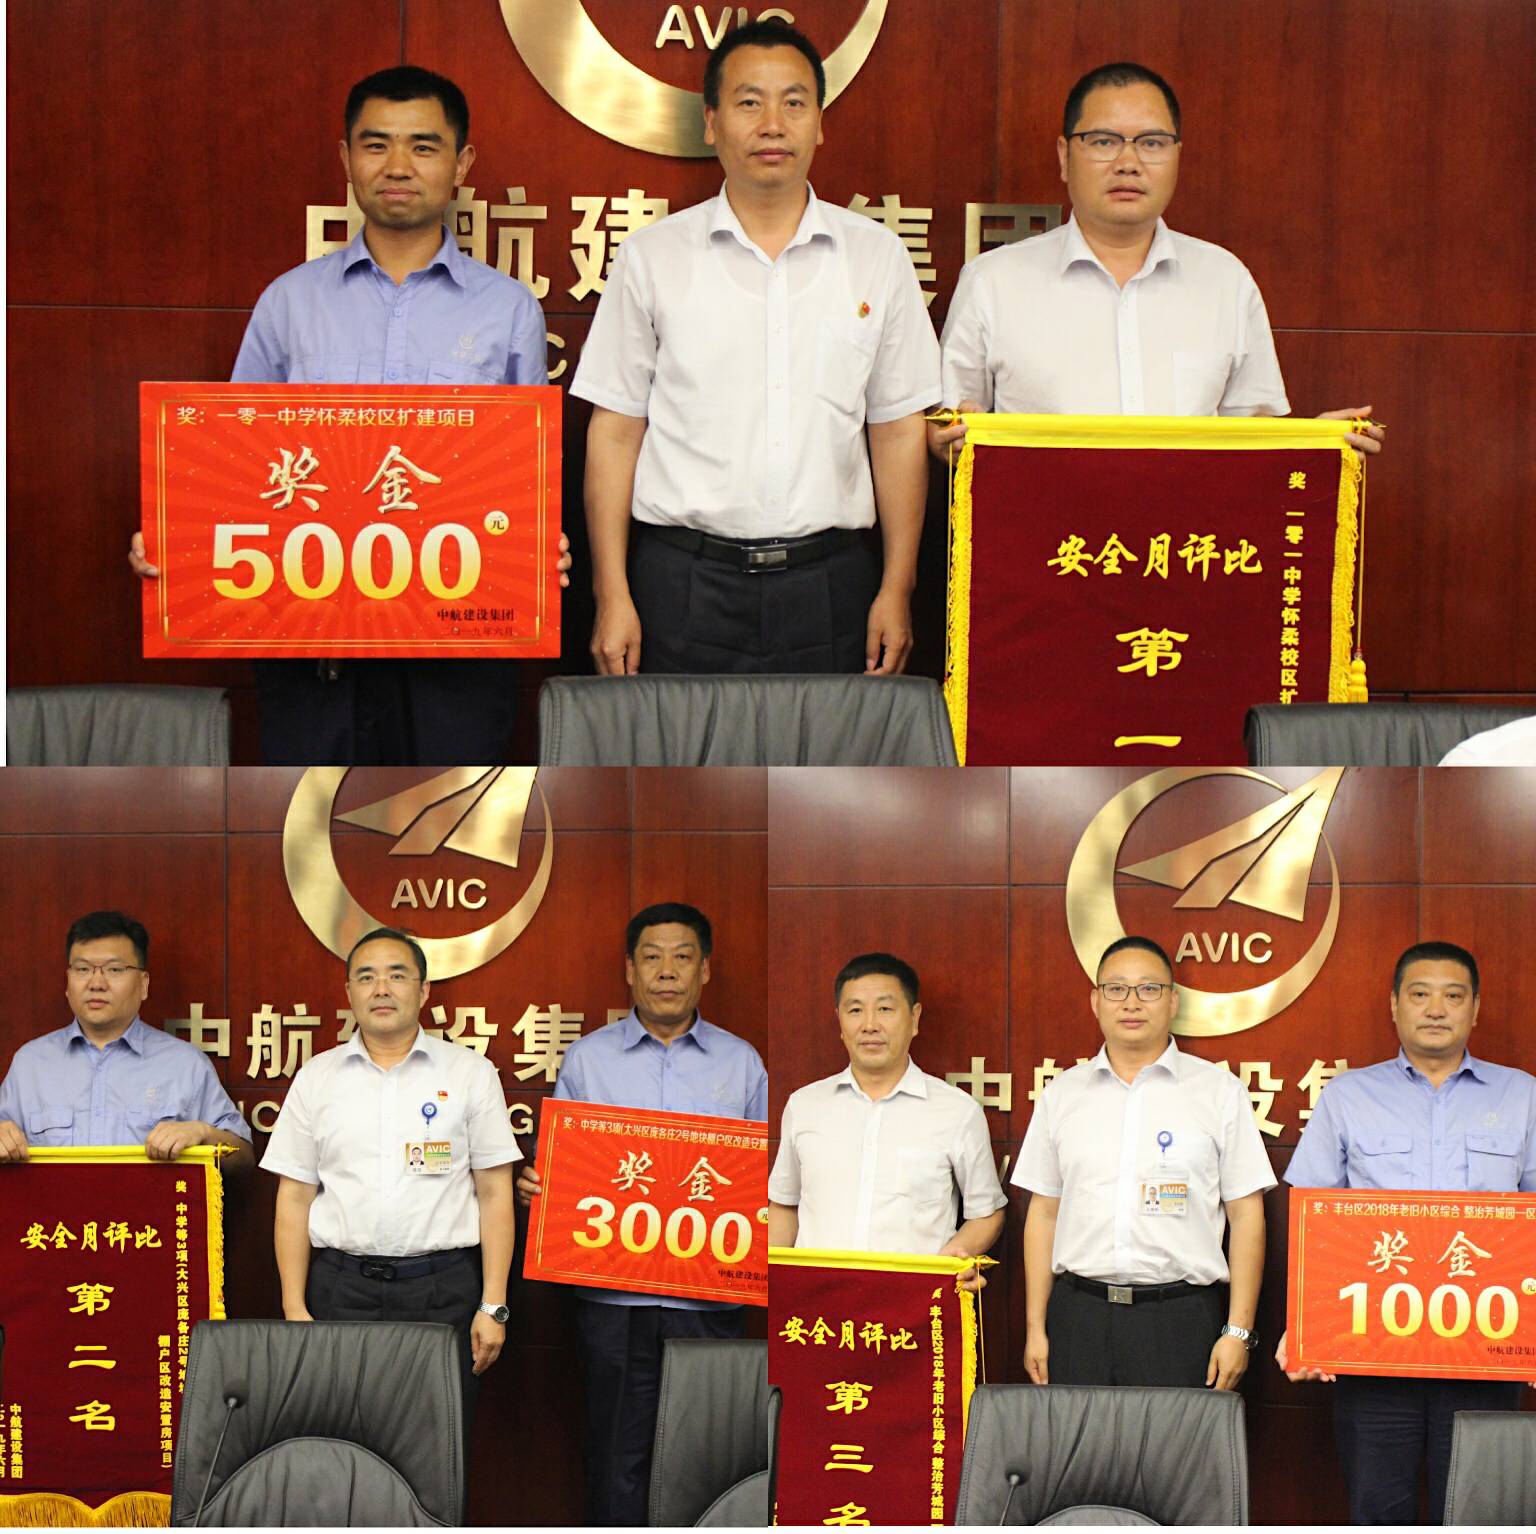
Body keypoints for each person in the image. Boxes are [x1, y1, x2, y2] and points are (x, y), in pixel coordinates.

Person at [128, 64, 570, 765]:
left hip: (457, 651)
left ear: (461, 164)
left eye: (423, 146)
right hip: (312, 645)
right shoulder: (290, 302)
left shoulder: (507, 308)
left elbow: (526, 474)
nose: (398, 165)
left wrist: (541, 544)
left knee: (453, 824)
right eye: (376, 144)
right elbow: (236, 464)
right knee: (312, 826)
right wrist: (177, 537)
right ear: (346, 158)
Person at [572, 19, 939, 677]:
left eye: (794, 102)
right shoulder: (652, 257)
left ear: (819, 123)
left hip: (831, 584)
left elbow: (897, 432)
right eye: (749, 102)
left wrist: (898, 586)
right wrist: (611, 593)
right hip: (681, 582)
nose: (773, 124)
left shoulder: (876, 258)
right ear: (711, 122)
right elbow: (616, 431)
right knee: (679, 750)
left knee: (829, 750)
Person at [930, 62, 1385, 459]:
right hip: (1045, 531)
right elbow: (945, 432)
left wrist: (1317, 445)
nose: (1128, 162)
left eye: (1151, 143)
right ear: (1065, 156)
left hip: (1191, 532)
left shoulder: (1224, 280)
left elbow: (1255, 441)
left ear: (1177, 157)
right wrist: (950, 439)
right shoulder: (992, 281)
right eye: (1103, 141)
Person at [515, 903, 767, 1527]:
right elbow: (564, 1168)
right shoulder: (588, 1059)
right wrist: (541, 1188)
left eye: (682, 957)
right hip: (613, 1300)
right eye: (652, 957)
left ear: (705, 970)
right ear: (630, 970)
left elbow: (761, 1178)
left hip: (708, 1297)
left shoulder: (741, 1063)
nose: (666, 972)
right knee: (615, 1454)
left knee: (706, 1451)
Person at [1278, 940, 1536, 1524]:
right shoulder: (1348, 1096)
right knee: (1378, 1510)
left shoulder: (1522, 1095)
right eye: (1420, 994)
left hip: (1486, 1351)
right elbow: (1312, 1220)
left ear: (1476, 1008)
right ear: (1395, 1005)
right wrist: (1305, 1328)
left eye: (1453, 996)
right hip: (1373, 1351)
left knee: (1479, 1513)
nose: (1436, 1009)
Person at [260, 927, 518, 1420]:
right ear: (349, 992)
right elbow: (293, 1198)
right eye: (366, 977)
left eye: (397, 976)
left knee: (438, 1439)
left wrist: (493, 1305)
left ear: (423, 991)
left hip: (442, 1291)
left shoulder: (469, 1073)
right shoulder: (317, 1078)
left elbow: (494, 1193)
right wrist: (294, 1308)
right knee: (343, 1435)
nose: (381, 989)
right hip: (341, 1290)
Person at [1013, 936, 1272, 1389]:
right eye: (1116, 989)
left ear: (1173, 1001)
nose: (1131, 1002)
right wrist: (1036, 1326)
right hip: (1079, 1316)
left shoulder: (1218, 1092)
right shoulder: (1063, 1094)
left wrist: (1238, 1331)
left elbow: (1246, 1214)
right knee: (1080, 1439)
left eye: (1149, 989)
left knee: (1175, 1440)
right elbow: (1044, 1213)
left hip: (1180, 1318)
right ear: (1095, 1001)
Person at [767, 953, 1005, 1279]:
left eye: (885, 1009)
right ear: (839, 1021)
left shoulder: (958, 1112)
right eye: (855, 1010)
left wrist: (947, 1265)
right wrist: (773, 1284)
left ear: (914, 1018)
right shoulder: (804, 1106)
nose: (869, 1025)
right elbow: (784, 1205)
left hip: (912, 1301)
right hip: (817, 1301)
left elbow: (986, 1213)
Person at [0, 911, 252, 1169]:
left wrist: (203, 1134)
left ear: (143, 984)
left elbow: (243, 1158)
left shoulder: (185, 1064)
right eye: (83, 969)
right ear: (68, 982)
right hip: (53, 1199)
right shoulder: (30, 1064)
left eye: (114, 969)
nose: (96, 983)